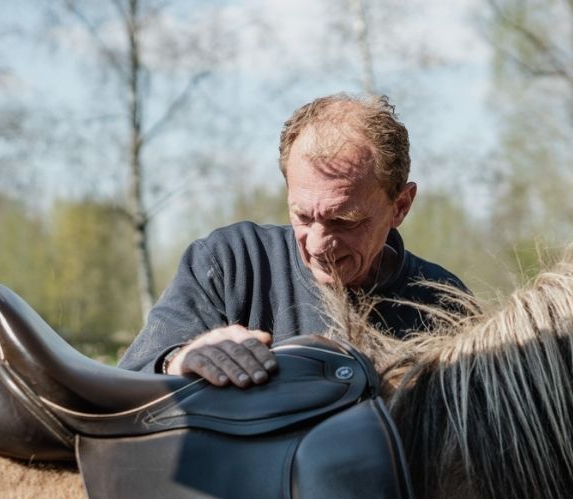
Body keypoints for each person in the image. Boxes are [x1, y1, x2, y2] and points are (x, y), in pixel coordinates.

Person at [119, 93, 469, 387]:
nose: (318, 245)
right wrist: (179, 362)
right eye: (302, 216)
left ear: (401, 206)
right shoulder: (230, 265)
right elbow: (129, 382)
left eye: (344, 221)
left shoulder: (442, 305)